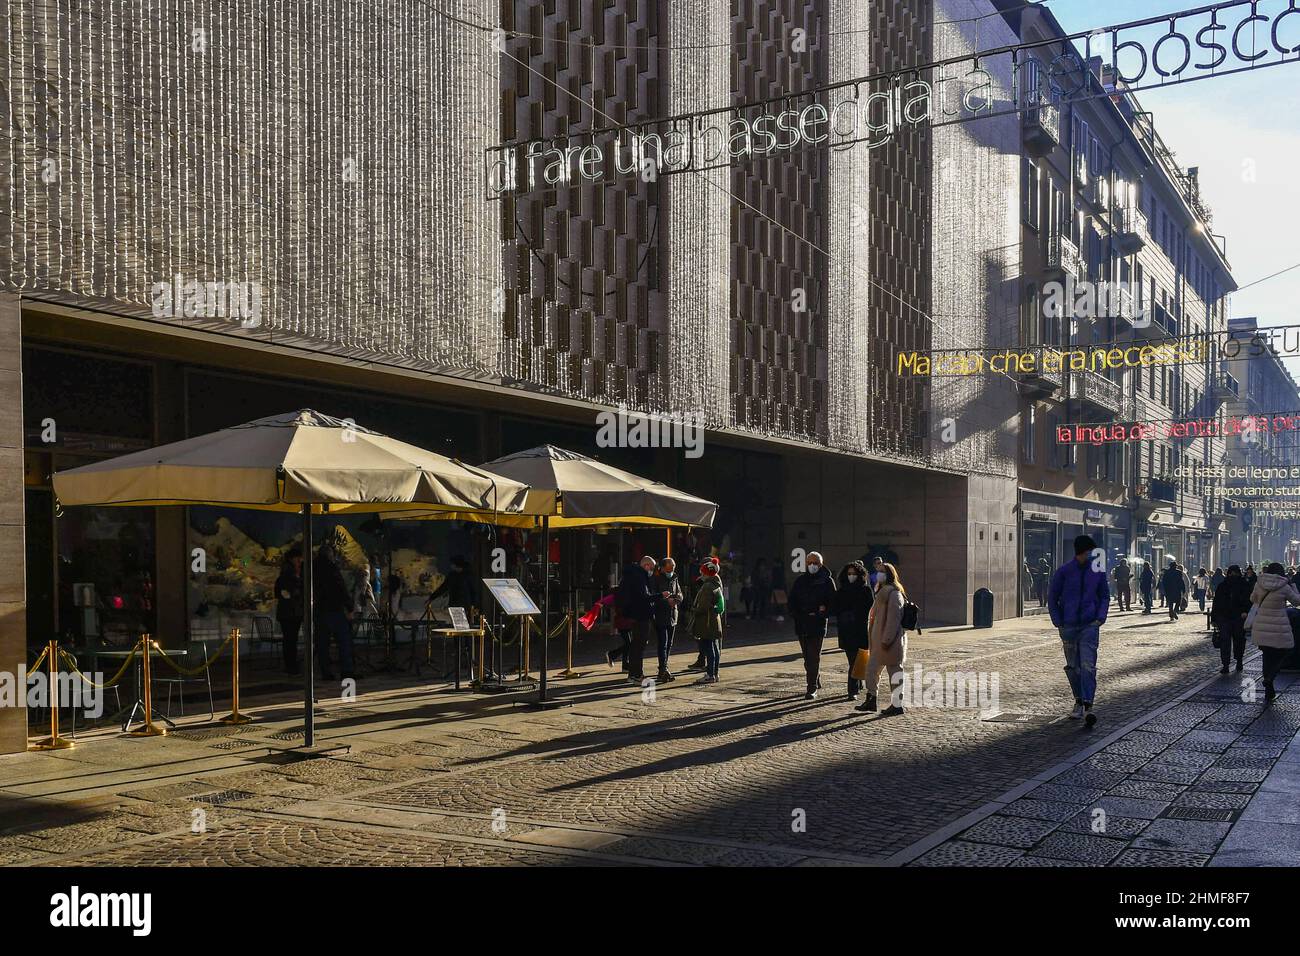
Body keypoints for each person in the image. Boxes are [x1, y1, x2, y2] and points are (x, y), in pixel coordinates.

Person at [1047, 534, 1110, 728]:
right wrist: (1058, 622)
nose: (1093, 554)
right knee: (1073, 667)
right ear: (1082, 552)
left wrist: (1100, 618)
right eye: (1090, 550)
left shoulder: (1097, 571)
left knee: (1088, 666)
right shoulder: (1064, 572)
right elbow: (1052, 597)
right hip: (1069, 626)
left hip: (1090, 625)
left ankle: (1088, 704)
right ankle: (1078, 700)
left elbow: (1104, 596)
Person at [857, 561, 908, 716]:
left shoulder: (894, 593)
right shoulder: (882, 592)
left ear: (889, 574)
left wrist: (886, 640)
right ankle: (871, 699)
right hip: (878, 642)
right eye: (878, 571)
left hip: (889, 642)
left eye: (882, 571)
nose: (878, 574)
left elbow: (893, 620)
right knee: (871, 671)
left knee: (895, 673)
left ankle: (897, 704)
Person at [1248, 562, 1300, 704]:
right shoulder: (1284, 586)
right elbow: (1296, 601)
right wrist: (1293, 587)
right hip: (1279, 626)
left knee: (1267, 655)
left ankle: (1268, 688)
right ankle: (1270, 677)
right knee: (1285, 652)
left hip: (1262, 626)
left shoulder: (1260, 583)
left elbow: (1253, 599)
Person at [789, 551, 837, 699]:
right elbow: (792, 602)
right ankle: (815, 677)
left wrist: (822, 613)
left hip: (818, 623)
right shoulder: (800, 581)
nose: (812, 565)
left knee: (813, 656)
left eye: (815, 563)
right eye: (809, 562)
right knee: (806, 657)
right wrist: (798, 614)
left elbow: (833, 602)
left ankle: (812, 687)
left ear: (821, 564)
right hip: (802, 623)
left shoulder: (827, 581)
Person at [313, 541, 355, 682]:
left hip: (319, 610)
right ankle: (347, 671)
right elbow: (340, 588)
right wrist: (349, 606)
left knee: (322, 643)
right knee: (343, 640)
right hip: (334, 608)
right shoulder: (331, 568)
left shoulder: (311, 568)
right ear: (330, 554)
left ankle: (326, 672)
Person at [834, 561, 872, 702]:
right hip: (847, 631)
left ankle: (857, 683)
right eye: (849, 574)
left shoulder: (865, 590)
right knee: (853, 662)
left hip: (861, 630)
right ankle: (852, 690)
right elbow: (836, 608)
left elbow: (870, 608)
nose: (851, 576)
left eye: (854, 574)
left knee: (860, 660)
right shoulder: (842, 591)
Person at [618, 555, 659, 683]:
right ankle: (635, 674)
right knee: (639, 645)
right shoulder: (639, 577)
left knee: (637, 644)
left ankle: (635, 673)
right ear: (646, 566)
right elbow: (644, 597)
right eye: (651, 568)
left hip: (635, 614)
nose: (652, 571)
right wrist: (660, 596)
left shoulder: (633, 574)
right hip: (641, 614)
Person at [1211, 564, 1251, 675]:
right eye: (1231, 573)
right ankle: (1226, 664)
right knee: (1225, 641)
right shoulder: (1223, 586)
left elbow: (1249, 601)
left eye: (1235, 573)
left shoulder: (1244, 585)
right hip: (1225, 617)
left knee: (1238, 640)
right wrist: (1214, 617)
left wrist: (1245, 612)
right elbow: (1217, 602)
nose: (1233, 575)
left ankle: (1239, 661)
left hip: (1238, 617)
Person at [691, 560, 725, 683]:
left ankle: (710, 675)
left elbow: (703, 606)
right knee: (715, 648)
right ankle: (715, 674)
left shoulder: (707, 586)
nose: (701, 575)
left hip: (707, 621)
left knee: (709, 648)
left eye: (702, 573)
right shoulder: (716, 584)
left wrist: (694, 610)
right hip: (714, 620)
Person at [652, 558, 684, 682]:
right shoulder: (656, 579)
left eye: (674, 566)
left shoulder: (674, 577)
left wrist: (677, 599)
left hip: (672, 615)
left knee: (669, 643)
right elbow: (653, 596)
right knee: (663, 643)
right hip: (661, 615)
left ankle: (664, 668)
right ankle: (662, 669)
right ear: (663, 567)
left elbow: (679, 593)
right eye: (670, 567)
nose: (672, 569)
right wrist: (666, 602)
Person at [274, 547, 304, 675]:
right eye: (298, 560)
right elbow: (286, 593)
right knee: (290, 640)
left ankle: (291, 664)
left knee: (290, 639)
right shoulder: (288, 577)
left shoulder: (286, 576)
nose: (299, 563)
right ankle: (291, 665)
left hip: (291, 613)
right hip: (291, 613)